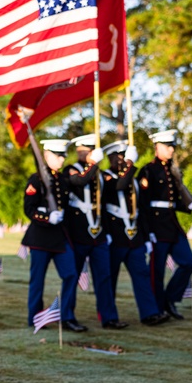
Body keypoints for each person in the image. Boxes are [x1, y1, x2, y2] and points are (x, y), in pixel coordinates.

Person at [101, 140, 169, 326]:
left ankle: (149, 313)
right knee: (110, 278)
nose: (124, 160)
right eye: (121, 156)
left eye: (127, 156)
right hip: (114, 237)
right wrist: (131, 165)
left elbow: (142, 211)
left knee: (142, 276)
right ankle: (108, 317)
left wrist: (146, 237)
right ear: (111, 158)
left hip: (135, 237)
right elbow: (119, 187)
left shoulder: (134, 180)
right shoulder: (105, 177)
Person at [63, 134, 126, 330]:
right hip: (78, 233)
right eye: (86, 150)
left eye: (92, 150)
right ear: (79, 151)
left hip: (98, 234)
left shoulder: (98, 173)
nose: (89, 153)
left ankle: (108, 317)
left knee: (104, 277)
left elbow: (107, 200)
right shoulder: (71, 170)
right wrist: (93, 165)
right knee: (73, 276)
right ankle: (67, 317)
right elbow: (80, 182)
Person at [137, 129, 192, 319]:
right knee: (157, 271)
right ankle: (156, 309)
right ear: (157, 147)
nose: (171, 150)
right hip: (157, 226)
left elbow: (173, 200)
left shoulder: (172, 169)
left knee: (188, 262)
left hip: (172, 224)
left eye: (173, 146)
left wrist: (186, 199)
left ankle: (169, 299)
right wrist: (147, 232)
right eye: (168, 146)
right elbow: (143, 205)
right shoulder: (148, 170)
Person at [21, 139, 77, 329]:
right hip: (40, 238)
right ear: (46, 156)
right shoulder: (36, 179)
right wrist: (46, 216)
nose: (61, 160)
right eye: (57, 155)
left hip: (60, 238)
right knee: (38, 281)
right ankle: (35, 318)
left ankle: (66, 315)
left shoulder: (63, 180)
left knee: (71, 274)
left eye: (63, 156)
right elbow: (29, 209)